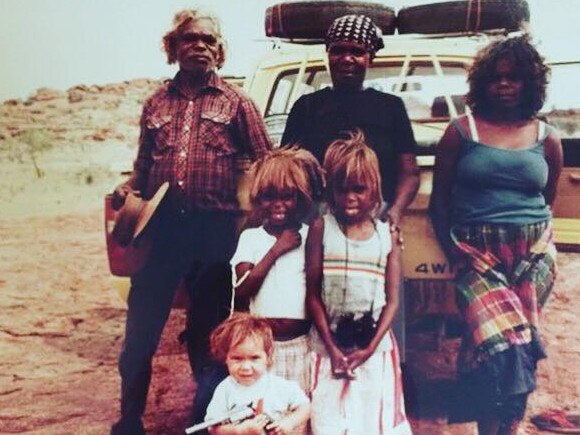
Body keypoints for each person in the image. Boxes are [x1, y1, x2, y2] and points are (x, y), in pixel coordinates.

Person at [110, 9, 272, 434]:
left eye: (208, 41)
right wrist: (127, 191)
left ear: (219, 52)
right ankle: (129, 420)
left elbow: (270, 164)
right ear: (174, 48)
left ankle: (206, 420)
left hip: (215, 236)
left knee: (209, 340)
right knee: (140, 337)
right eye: (190, 39)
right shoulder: (155, 104)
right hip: (161, 234)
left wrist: (259, 215)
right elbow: (142, 171)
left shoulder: (237, 103)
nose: (199, 46)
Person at [429, 35, 563, 435]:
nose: (504, 85)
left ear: (529, 83)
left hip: (533, 254)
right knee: (497, 347)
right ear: (482, 84)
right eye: (496, 79)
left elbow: (547, 199)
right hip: (476, 255)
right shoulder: (460, 132)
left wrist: (531, 239)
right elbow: (440, 202)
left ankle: (505, 428)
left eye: (514, 78)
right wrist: (457, 255)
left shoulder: (547, 137)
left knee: (515, 345)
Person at [305, 131, 411, 434]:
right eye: (341, 189)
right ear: (331, 192)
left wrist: (370, 347)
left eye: (359, 189)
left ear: (374, 190)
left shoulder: (386, 235)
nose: (350, 197)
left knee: (371, 421)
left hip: (372, 351)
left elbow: (392, 302)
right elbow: (312, 294)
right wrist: (331, 346)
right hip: (328, 349)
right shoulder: (321, 228)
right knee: (327, 421)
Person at [281, 14, 419, 230]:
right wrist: (300, 158)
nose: (347, 58)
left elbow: (409, 173)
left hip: (375, 222)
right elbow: (283, 168)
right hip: (314, 222)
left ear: (370, 58)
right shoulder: (307, 106)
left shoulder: (390, 107)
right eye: (338, 50)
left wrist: (396, 211)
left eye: (357, 51)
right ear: (328, 54)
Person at [230, 147, 323, 394]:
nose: (278, 205)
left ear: (299, 199)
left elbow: (315, 291)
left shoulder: (309, 236)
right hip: (262, 350)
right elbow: (242, 290)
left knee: (297, 417)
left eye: (287, 197)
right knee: (262, 414)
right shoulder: (251, 238)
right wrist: (275, 251)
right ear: (258, 199)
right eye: (269, 197)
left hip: (301, 346)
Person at [205, 313, 311, 435]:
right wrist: (239, 430)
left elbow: (305, 407)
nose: (245, 367)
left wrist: (289, 423)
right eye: (237, 358)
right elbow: (213, 428)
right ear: (226, 358)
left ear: (268, 357)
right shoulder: (225, 389)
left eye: (254, 358)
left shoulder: (280, 386)